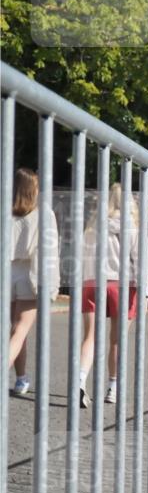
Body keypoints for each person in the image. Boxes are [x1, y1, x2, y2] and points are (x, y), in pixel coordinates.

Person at [78, 181, 148, 408]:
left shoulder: (93, 225)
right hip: (122, 285)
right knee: (117, 340)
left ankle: (79, 381)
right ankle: (113, 387)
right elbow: (142, 261)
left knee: (90, 336)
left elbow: (82, 254)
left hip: (92, 282)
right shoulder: (133, 227)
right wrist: (145, 290)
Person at [8, 168, 59, 395]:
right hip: (30, 273)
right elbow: (47, 251)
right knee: (20, 330)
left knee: (15, 331)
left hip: (7, 272)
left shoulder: (5, 209)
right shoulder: (43, 213)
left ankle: (21, 379)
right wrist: (48, 283)